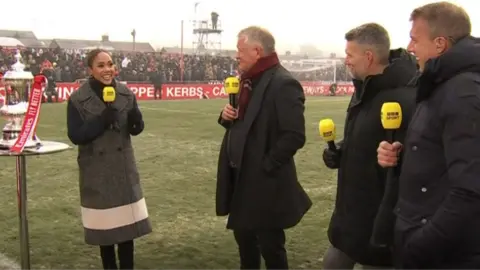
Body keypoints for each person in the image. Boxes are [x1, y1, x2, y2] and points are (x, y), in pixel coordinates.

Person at [377, 2, 480, 269]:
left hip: (443, 252)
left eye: (414, 39)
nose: (410, 48)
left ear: (440, 44)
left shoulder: (464, 92)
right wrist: (404, 155)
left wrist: (421, 245)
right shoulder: (440, 83)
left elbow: (471, 188)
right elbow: (441, 155)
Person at [322, 23, 418, 270]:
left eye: (349, 55)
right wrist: (339, 151)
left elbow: (415, 156)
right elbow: (364, 138)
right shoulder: (363, 89)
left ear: (369, 56)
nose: (346, 61)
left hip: (380, 218)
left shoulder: (407, 96)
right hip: (349, 212)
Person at [216, 26, 312, 270]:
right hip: (240, 177)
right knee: (244, 242)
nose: (236, 55)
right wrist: (226, 116)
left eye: (240, 50)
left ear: (257, 51)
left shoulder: (283, 83)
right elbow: (243, 124)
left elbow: (294, 135)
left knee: (270, 246)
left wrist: (265, 164)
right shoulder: (246, 81)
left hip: (265, 182)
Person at [66, 49, 152, 270]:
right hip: (96, 171)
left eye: (110, 64)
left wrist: (136, 121)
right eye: (101, 65)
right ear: (90, 70)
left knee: (126, 233)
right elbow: (76, 135)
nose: (107, 70)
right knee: (105, 234)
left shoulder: (126, 94)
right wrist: (102, 120)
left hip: (123, 169)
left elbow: (136, 129)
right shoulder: (77, 99)